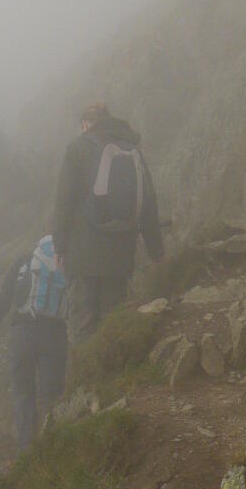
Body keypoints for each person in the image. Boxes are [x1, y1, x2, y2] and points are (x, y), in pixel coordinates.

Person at [52, 102, 165, 338]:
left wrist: (60, 246)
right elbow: (148, 202)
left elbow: (64, 200)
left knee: (83, 326)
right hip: (121, 252)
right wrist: (156, 251)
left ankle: (85, 373)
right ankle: (113, 373)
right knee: (112, 324)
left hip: (83, 255)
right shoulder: (132, 149)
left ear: (87, 123)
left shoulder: (77, 148)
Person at [0, 235, 68, 451]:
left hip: (22, 332)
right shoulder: (68, 260)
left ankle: (27, 450)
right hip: (54, 332)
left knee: (23, 391)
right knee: (53, 392)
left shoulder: (24, 260)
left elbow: (6, 297)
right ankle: (56, 447)